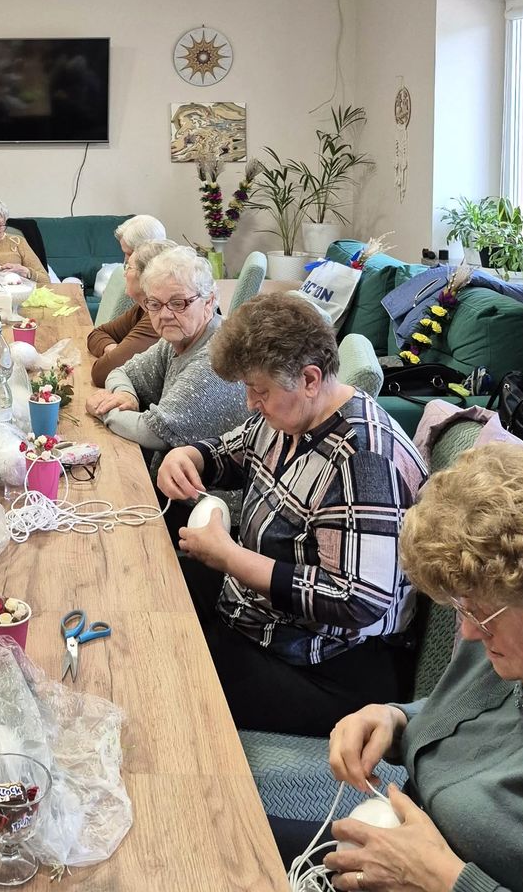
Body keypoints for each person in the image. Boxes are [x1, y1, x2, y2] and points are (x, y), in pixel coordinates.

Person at [156, 292, 427, 736]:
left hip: (327, 666)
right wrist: (190, 455)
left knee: (169, 672)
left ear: (310, 378)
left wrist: (228, 557)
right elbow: (238, 451)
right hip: (265, 620)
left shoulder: (363, 460)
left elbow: (357, 599)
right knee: (154, 588)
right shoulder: (290, 414)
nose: (249, 403)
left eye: (258, 390)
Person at [323, 443, 523, 891]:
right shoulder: (518, 651)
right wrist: (395, 718)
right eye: (463, 609)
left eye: (485, 614)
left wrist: (444, 879)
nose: (471, 634)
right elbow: (480, 719)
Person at [86, 247, 247, 474]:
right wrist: (125, 395)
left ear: (209, 302)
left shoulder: (215, 356)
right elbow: (121, 372)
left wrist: (106, 410)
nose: (165, 314)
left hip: (203, 500)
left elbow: (154, 432)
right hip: (168, 486)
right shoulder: (177, 339)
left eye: (178, 303)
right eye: (154, 304)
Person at [87, 238, 175, 386]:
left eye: (129, 267)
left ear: (146, 276)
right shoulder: (142, 308)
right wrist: (112, 348)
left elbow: (101, 373)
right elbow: (96, 334)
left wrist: (114, 355)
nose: (124, 274)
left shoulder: (158, 317)